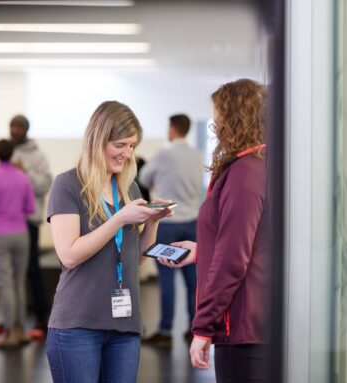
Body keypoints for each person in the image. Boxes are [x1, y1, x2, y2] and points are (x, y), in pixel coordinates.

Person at [45, 100, 173, 383]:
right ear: (98, 140)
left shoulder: (128, 187)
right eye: (121, 145)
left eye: (132, 146)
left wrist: (152, 222)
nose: (128, 154)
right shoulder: (66, 185)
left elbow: (138, 257)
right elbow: (68, 255)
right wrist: (119, 219)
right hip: (77, 325)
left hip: (124, 327)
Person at [158, 79, 268, 382]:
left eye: (218, 115)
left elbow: (234, 259)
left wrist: (203, 326)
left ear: (235, 117)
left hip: (244, 329)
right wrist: (200, 251)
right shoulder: (260, 165)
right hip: (255, 323)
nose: (215, 124)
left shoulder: (245, 172)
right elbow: (252, 243)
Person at [139, 114, 203, 347]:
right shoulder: (197, 156)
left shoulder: (164, 154)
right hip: (193, 223)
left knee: (166, 279)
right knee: (192, 280)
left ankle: (165, 331)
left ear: (173, 128)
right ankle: (194, 328)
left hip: (167, 223)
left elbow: (144, 178)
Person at [0, 139, 36, 348]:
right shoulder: (23, 178)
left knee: (4, 284)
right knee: (18, 282)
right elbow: (30, 208)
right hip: (20, 233)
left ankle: (10, 331)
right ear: (13, 153)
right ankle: (21, 330)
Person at [9, 114, 53, 338]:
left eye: (18, 127)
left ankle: (41, 319)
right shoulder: (5, 152)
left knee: (32, 270)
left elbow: (46, 183)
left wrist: (23, 173)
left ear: (25, 129)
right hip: (8, 220)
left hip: (29, 219)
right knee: (9, 273)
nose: (14, 130)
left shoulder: (37, 155)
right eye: (11, 127)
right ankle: (11, 321)